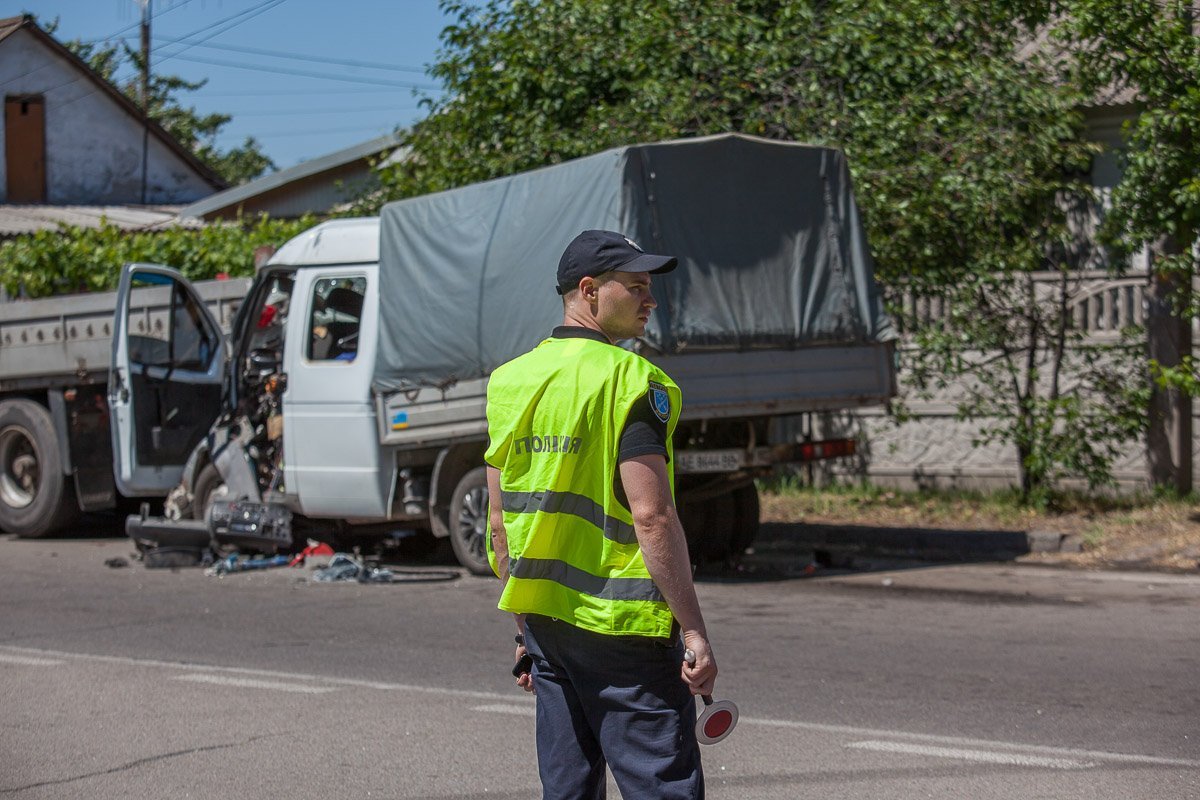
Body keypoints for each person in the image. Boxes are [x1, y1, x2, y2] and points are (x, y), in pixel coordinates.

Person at [484, 229, 718, 799]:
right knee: (661, 787)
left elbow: (499, 521)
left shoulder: (509, 381)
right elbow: (652, 515)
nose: (651, 300)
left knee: (567, 789)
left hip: (544, 628)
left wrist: (523, 631)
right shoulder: (634, 382)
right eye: (636, 287)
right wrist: (693, 629)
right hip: (624, 631)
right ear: (589, 291)